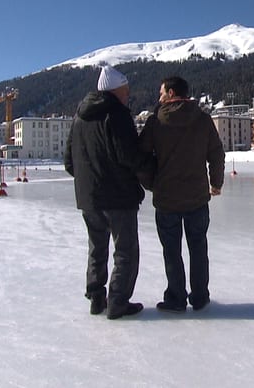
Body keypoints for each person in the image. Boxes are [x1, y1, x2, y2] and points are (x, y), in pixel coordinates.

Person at [64, 66, 147, 320]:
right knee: (125, 250)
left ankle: (96, 297)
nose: (128, 95)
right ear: (115, 90)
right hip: (118, 196)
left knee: (96, 248)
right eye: (126, 91)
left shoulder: (80, 117)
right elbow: (129, 155)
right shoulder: (117, 114)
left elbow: (69, 162)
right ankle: (118, 302)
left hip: (89, 199)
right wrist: (149, 171)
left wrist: (89, 181)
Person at [139, 76, 225, 313]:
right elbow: (216, 153)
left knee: (171, 250)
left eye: (161, 93)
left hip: (166, 199)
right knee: (198, 248)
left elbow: (141, 158)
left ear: (171, 93)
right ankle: (199, 297)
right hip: (197, 197)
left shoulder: (156, 122)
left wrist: (152, 183)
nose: (159, 98)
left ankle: (176, 298)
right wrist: (216, 183)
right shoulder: (202, 119)